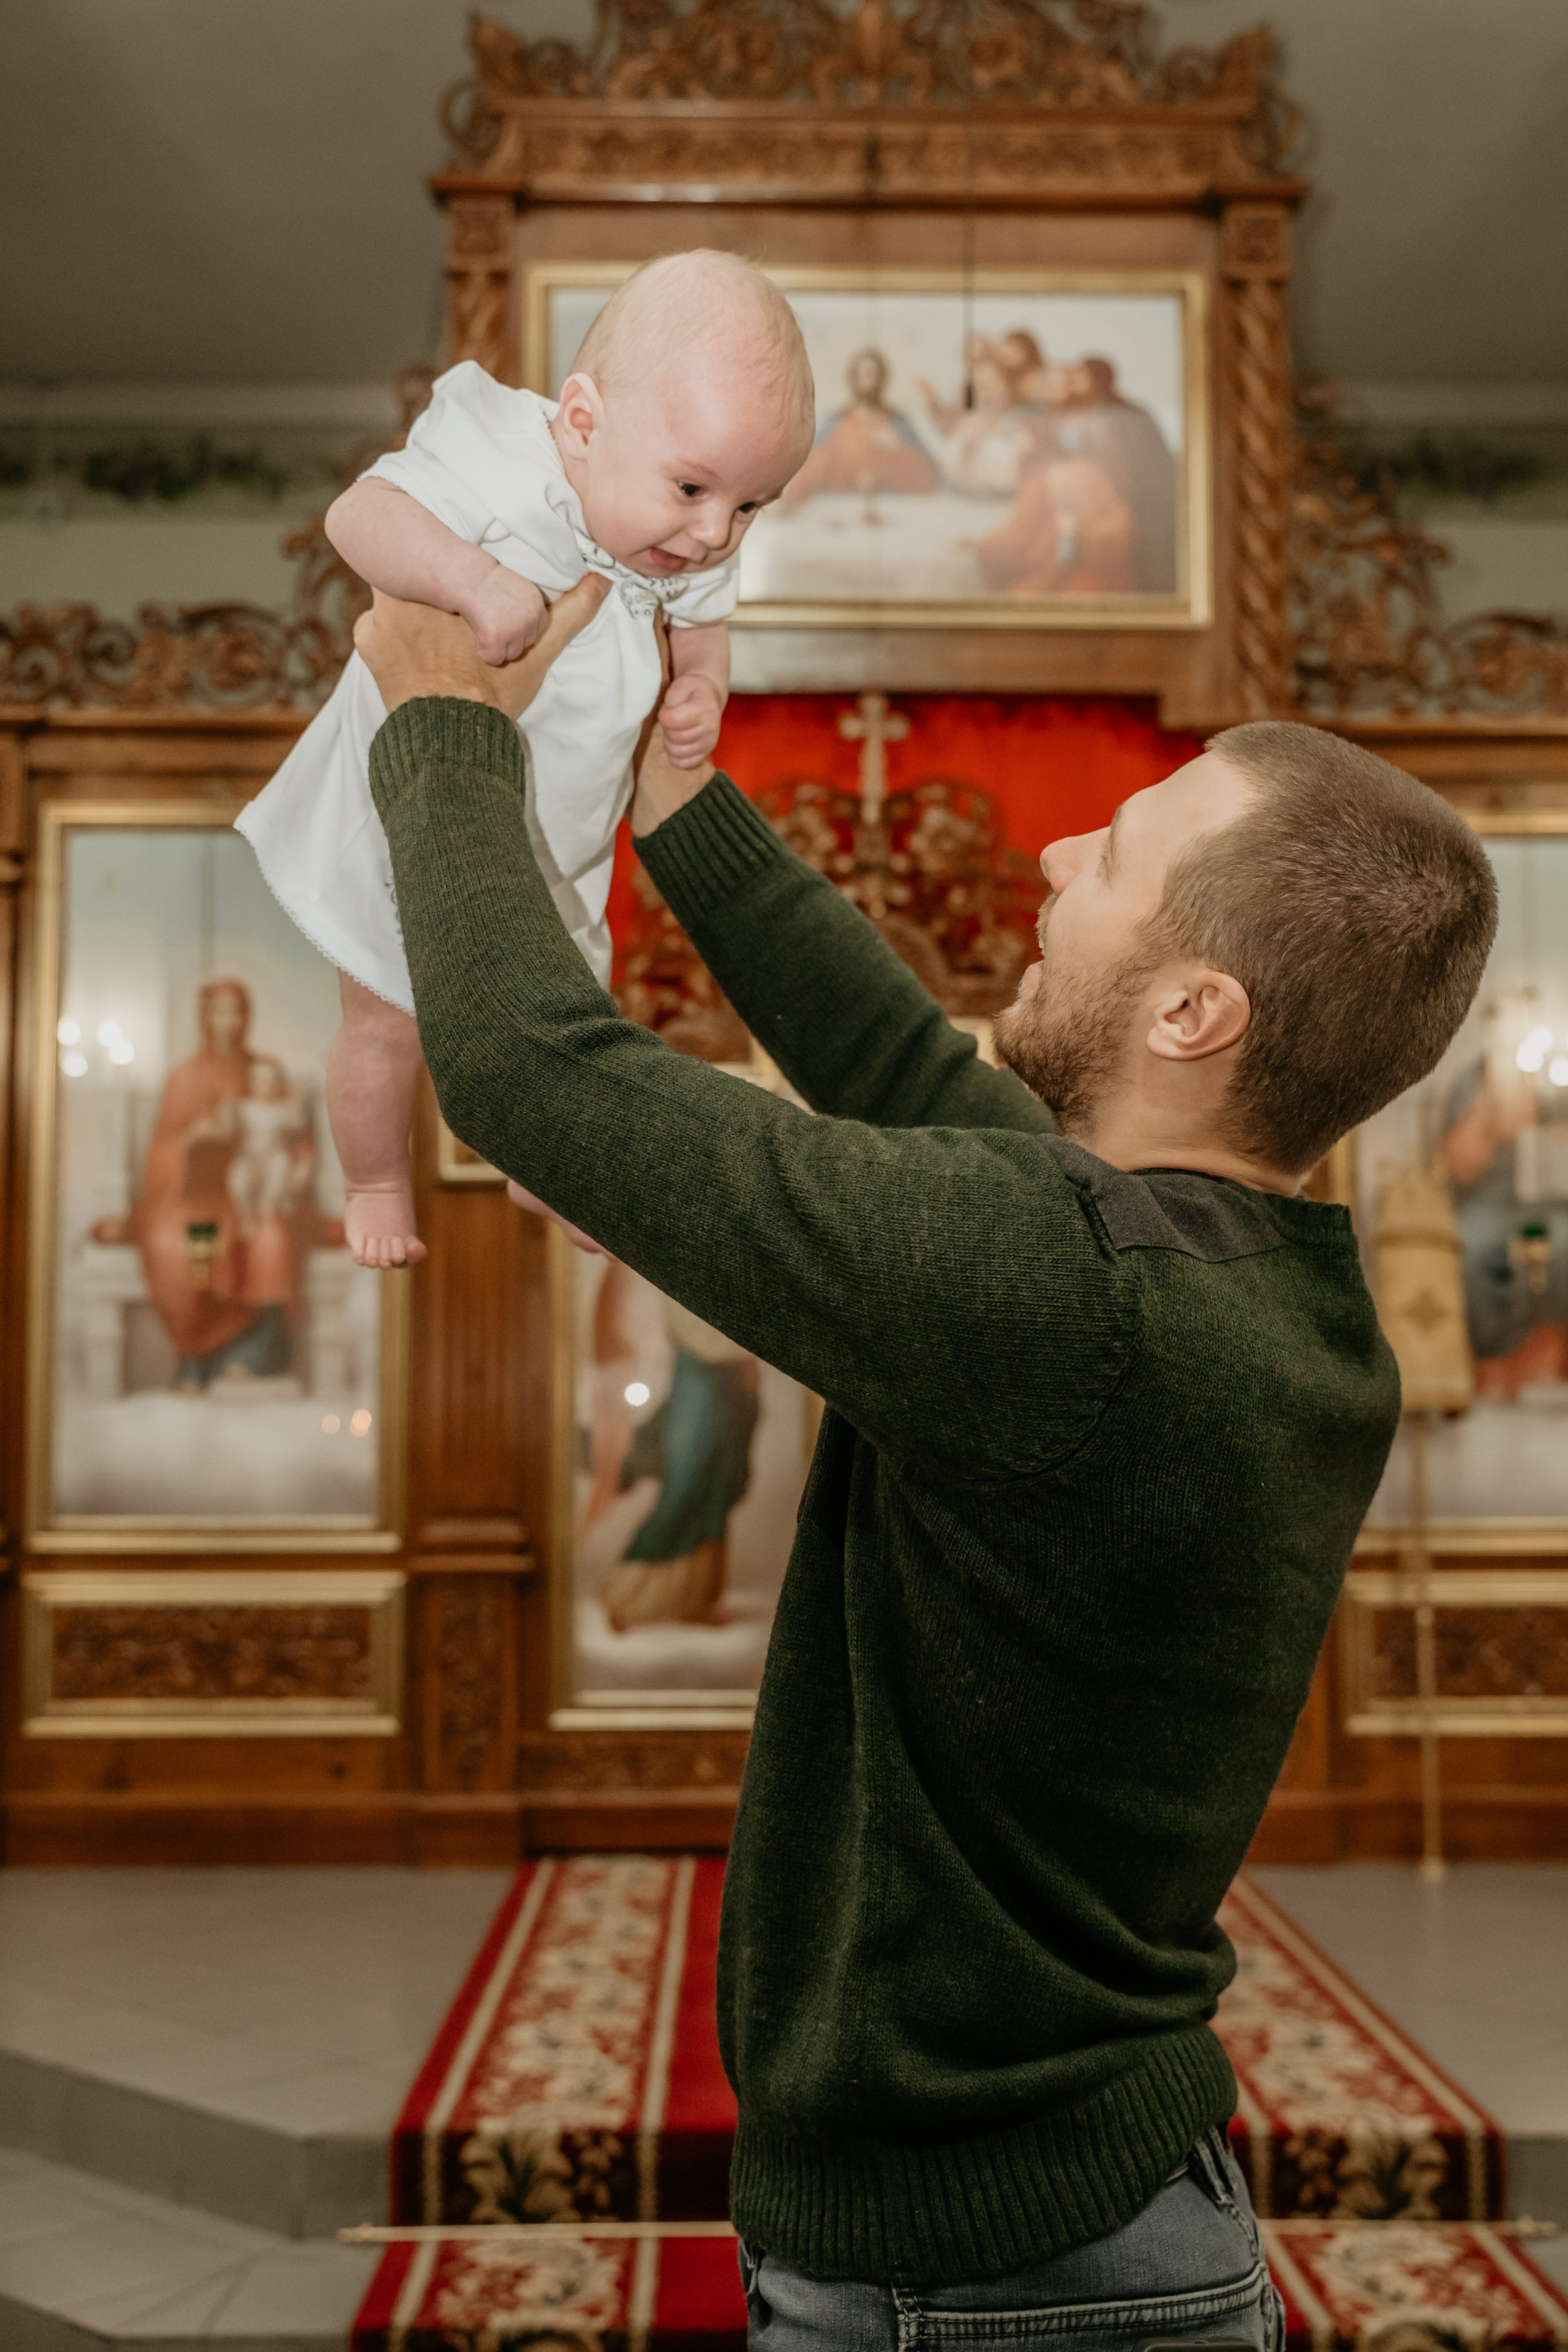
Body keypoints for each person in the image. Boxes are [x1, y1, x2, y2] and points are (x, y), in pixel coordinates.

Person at [352, 586, 1498, 2351]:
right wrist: (676, 786)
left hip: (980, 2282)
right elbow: (898, 1065)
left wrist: (440, 722)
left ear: (1193, 1007)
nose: (1049, 852)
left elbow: (524, 1067)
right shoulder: (1230, 1276)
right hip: (1075, 2223)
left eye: (1108, 855)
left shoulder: (1063, 1289)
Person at [236, 250, 815, 1271]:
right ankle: (374, 1179)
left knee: (564, 1020)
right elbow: (356, 517)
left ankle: (543, 1168)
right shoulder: (498, 451)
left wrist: (702, 690)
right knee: (386, 1017)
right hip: (407, 804)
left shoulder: (680, 545)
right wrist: (470, 578)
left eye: (751, 506)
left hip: (551, 833)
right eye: (693, 487)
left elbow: (707, 632)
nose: (716, 531)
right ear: (583, 423)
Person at [778, 347, 937, 509]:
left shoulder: (898, 423)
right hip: (839, 508)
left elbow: (930, 474)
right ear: (854, 378)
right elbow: (810, 468)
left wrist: (895, 451)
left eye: (877, 375)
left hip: (892, 508)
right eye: (866, 374)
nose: (872, 381)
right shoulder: (836, 421)